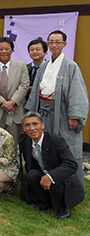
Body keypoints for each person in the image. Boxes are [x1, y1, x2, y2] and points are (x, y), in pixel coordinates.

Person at [26, 30, 89, 188]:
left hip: (61, 112)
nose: (54, 45)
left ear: (64, 45)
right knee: (43, 144)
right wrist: (32, 114)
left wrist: (75, 116)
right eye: (51, 42)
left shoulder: (70, 66)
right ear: (48, 44)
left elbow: (77, 92)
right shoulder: (44, 66)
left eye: (58, 42)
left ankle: (71, 187)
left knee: (65, 145)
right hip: (43, 111)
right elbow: (35, 93)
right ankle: (44, 182)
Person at [19, 111, 84, 219]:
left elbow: (71, 165)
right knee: (31, 174)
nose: (32, 128)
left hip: (63, 178)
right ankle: (46, 202)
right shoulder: (25, 143)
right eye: (27, 125)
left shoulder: (57, 141)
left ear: (42, 125)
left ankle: (63, 206)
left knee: (54, 176)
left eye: (35, 124)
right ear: (24, 129)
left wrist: (50, 176)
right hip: (44, 172)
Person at [0, 37, 29, 147]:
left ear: (12, 50)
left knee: (13, 142)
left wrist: (12, 102)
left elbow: (24, 86)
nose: (4, 51)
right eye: (1, 49)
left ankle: (12, 163)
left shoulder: (21, 66)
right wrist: (4, 102)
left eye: (7, 49)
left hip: (15, 110)